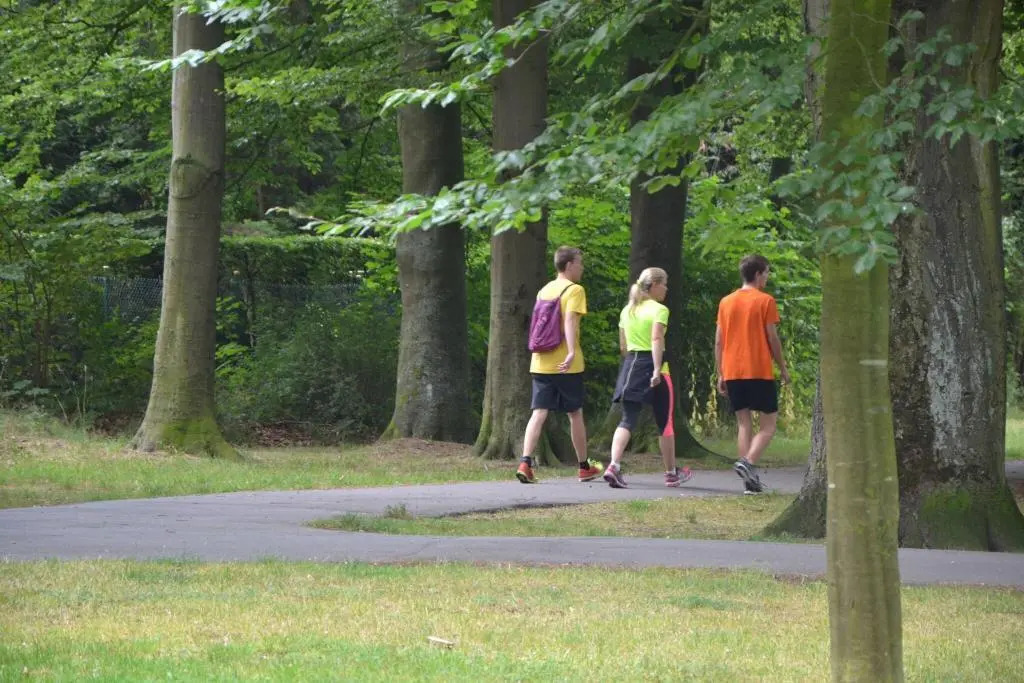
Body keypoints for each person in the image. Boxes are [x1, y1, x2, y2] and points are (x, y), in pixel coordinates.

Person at [516, 246, 603, 484]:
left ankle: (525, 463)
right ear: (569, 265)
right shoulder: (575, 290)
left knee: (538, 412)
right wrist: (572, 351)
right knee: (575, 413)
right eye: (579, 263)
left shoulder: (544, 290)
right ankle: (584, 467)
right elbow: (570, 321)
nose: (582, 267)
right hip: (566, 364)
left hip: (540, 362)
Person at [602, 267, 694, 489]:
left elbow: (623, 346)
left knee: (627, 419)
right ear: (654, 285)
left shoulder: (628, 310)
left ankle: (613, 466)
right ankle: (671, 474)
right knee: (665, 423)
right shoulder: (660, 310)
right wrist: (655, 370)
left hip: (631, 367)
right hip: (655, 367)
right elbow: (656, 339)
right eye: (664, 284)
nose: (666, 288)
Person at [715, 254, 791, 494]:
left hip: (733, 371)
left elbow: (719, 341)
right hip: (758, 369)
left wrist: (721, 373)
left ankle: (749, 482)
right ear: (757, 274)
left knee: (743, 424)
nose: (767, 277)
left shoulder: (726, 302)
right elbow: (772, 337)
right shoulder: (765, 301)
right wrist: (783, 367)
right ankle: (747, 462)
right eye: (766, 273)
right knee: (768, 426)